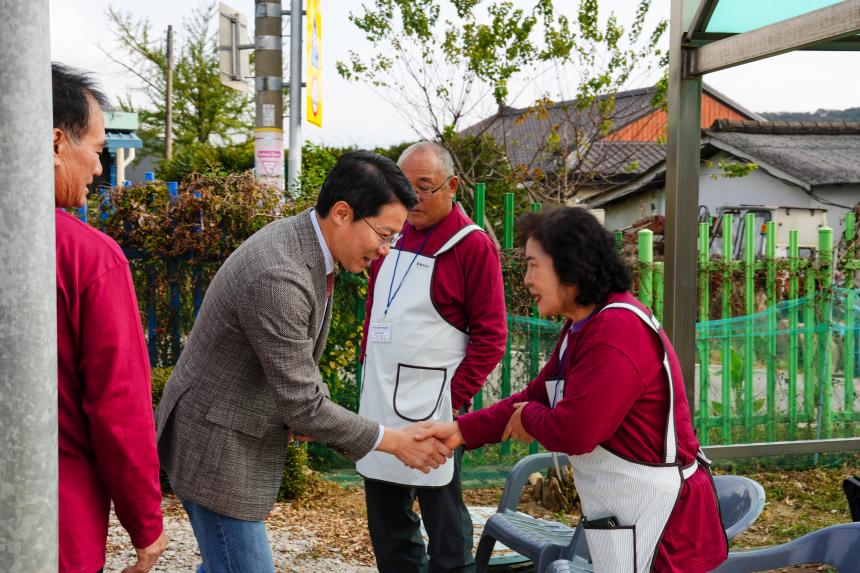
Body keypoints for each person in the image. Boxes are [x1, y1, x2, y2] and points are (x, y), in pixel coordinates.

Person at [155, 150, 454, 573]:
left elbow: (297, 376)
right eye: (383, 234)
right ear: (342, 213)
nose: (386, 251)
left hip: (229, 426)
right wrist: (396, 442)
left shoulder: (308, 243)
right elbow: (305, 405)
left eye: (394, 238)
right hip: (216, 442)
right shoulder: (281, 275)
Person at [418, 207, 728, 573]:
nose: (527, 279)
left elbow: (577, 430)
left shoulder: (617, 330)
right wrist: (460, 431)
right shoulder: (582, 325)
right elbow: (537, 396)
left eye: (534, 265)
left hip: (668, 531)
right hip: (630, 514)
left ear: (570, 266)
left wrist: (528, 418)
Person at [356, 142, 507, 573]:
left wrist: (453, 402)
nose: (413, 197)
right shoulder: (391, 232)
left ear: (452, 186)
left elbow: (491, 336)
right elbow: (375, 311)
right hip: (380, 403)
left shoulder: (472, 246)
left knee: (444, 521)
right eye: (405, 187)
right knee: (387, 519)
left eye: (425, 187)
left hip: (435, 410)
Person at [53, 63, 167, 573]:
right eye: (96, 151)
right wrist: (145, 523)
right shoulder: (89, 257)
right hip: (55, 514)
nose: (99, 170)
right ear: (57, 142)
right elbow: (119, 405)